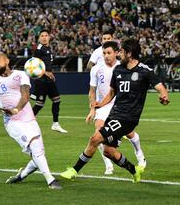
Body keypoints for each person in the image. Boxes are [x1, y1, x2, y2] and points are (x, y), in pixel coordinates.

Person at [60, 39, 169, 183]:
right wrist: (99, 105)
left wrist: (163, 95)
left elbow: (161, 87)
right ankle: (134, 170)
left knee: (95, 138)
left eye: (122, 52)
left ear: (129, 54)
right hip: (114, 114)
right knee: (108, 151)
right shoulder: (119, 70)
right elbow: (112, 92)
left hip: (128, 118)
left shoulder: (144, 71)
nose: (119, 54)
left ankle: (74, 170)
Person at [0, 53, 61, 190]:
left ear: (7, 60)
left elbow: (25, 96)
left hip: (29, 118)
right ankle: (51, 181)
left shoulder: (21, 75)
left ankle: (21, 175)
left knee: (38, 153)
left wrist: (16, 109)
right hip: (12, 123)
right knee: (35, 148)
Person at [85, 41, 146, 175]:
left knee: (129, 133)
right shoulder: (96, 69)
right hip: (103, 105)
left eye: (108, 52)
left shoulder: (123, 66)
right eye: (104, 53)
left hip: (119, 106)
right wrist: (92, 108)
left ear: (116, 52)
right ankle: (108, 165)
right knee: (98, 134)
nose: (106, 55)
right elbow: (92, 90)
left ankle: (139, 153)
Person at [31, 29, 67, 133]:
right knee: (39, 104)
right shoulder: (39, 49)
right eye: (42, 35)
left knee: (57, 100)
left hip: (49, 80)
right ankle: (27, 122)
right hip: (41, 80)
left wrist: (51, 73)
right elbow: (34, 64)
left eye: (46, 35)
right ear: (39, 38)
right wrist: (46, 73)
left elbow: (47, 64)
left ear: (49, 37)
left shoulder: (48, 48)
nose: (44, 37)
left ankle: (55, 124)